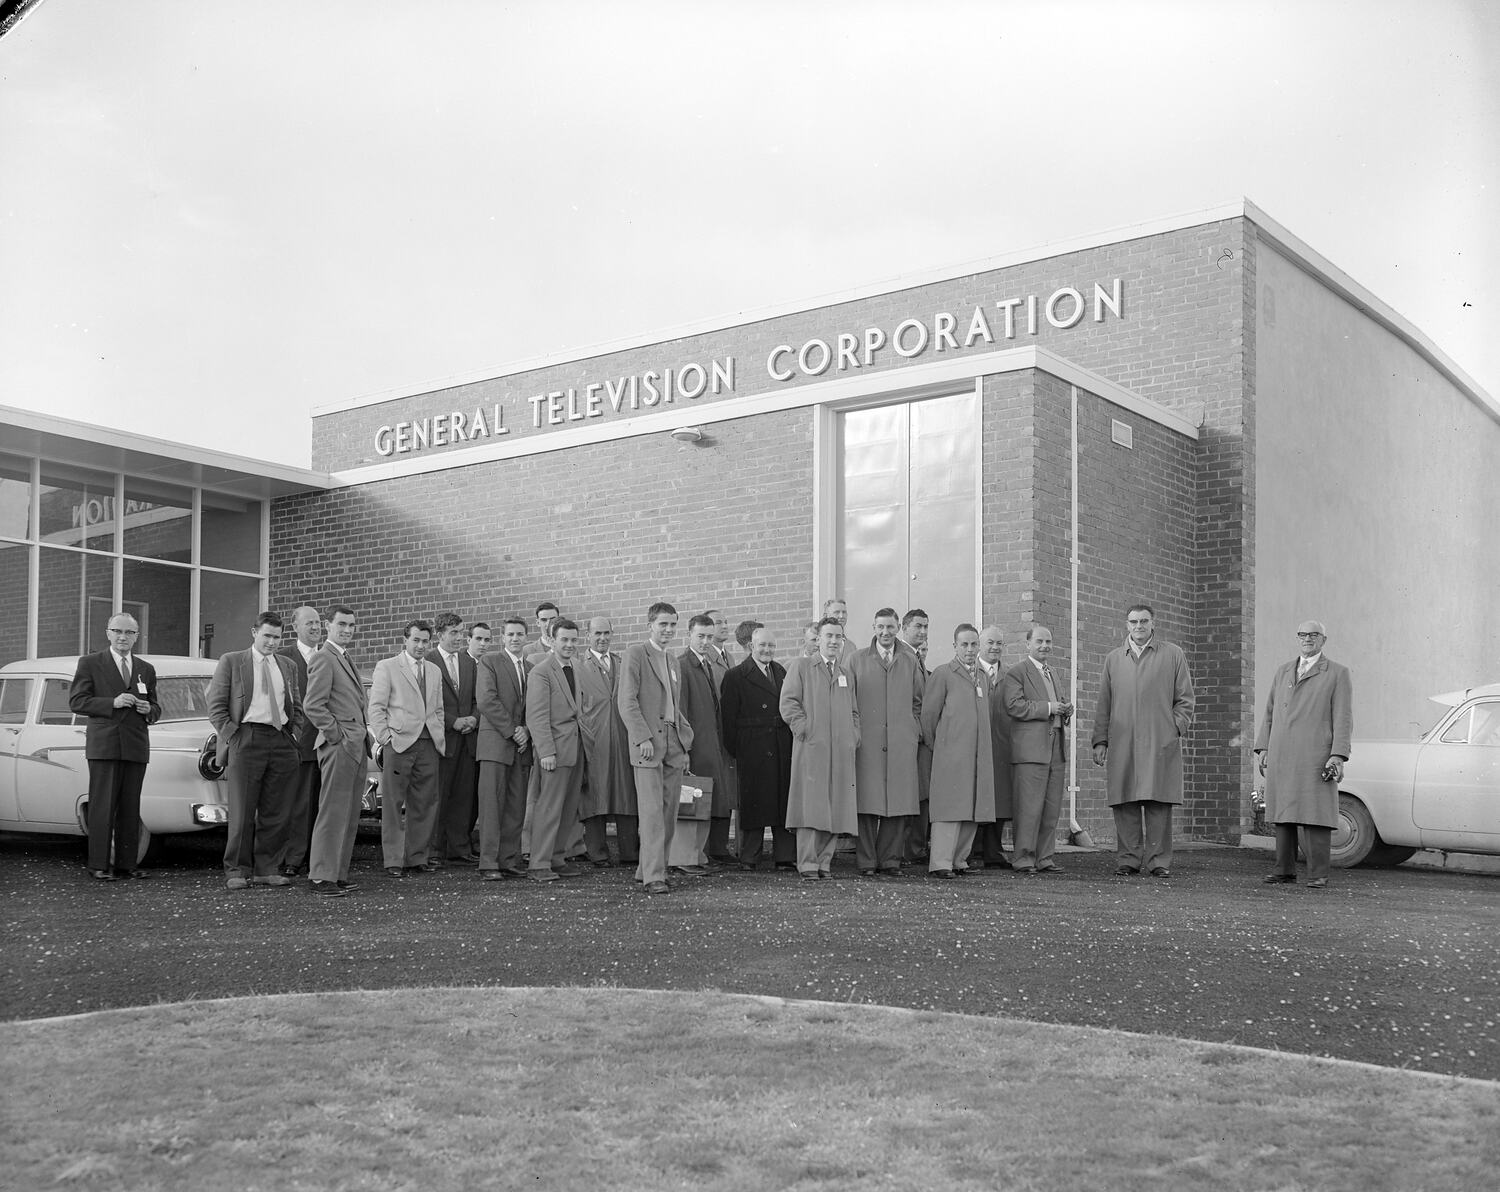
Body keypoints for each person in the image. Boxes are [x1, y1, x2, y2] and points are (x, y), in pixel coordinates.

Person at [1091, 604, 1196, 878]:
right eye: (1133, 622)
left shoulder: (1173, 654)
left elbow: (1185, 698)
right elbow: (1104, 703)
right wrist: (1100, 740)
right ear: (1126, 625)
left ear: (1153, 623)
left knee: (1158, 801)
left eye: (1144, 621)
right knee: (1124, 801)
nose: (1139, 626)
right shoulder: (1114, 659)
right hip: (1123, 741)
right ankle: (1128, 859)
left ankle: (1158, 861)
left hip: (1159, 740)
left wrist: (1174, 729)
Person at [207, 611, 305, 890]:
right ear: (254, 632)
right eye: (267, 636)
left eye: (277, 637)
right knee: (242, 809)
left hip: (281, 739)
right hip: (247, 737)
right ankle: (237, 870)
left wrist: (293, 733)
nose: (272, 642)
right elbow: (216, 706)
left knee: (278, 810)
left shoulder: (287, 665)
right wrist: (233, 736)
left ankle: (267, 868)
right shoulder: (232, 661)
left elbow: (296, 704)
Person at [1254, 620, 1352, 889]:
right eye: (1302, 635)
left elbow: (1343, 717)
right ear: (1297, 639)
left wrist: (1338, 755)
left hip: (1316, 753)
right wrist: (1264, 747)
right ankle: (1284, 870)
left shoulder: (1337, 673)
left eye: (1313, 635)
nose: (1307, 639)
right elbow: (1270, 712)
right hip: (1282, 751)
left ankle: (1318, 873)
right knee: (1283, 812)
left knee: (1316, 812)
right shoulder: (1284, 670)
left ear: (1323, 639)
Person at [68, 612, 160, 880]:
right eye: (118, 631)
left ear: (137, 636)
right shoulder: (90, 663)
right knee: (102, 806)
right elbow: (77, 702)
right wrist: (112, 703)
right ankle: (98, 865)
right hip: (104, 746)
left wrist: (148, 708)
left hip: (135, 745)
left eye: (129, 633)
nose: (123, 637)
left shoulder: (145, 668)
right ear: (108, 633)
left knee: (130, 806)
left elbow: (156, 709)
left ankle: (126, 865)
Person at [618, 602, 694, 895]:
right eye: (663, 624)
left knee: (669, 812)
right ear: (650, 624)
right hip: (648, 744)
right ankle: (654, 876)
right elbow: (627, 701)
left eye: (673, 624)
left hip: (673, 743)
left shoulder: (673, 660)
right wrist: (642, 738)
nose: (668, 630)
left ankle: (649, 867)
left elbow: (675, 706)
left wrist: (685, 742)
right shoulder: (636, 654)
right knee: (650, 813)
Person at [780, 616, 860, 880]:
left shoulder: (845, 673)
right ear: (818, 639)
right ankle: (807, 863)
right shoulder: (802, 666)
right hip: (812, 749)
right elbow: (789, 703)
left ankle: (824, 862)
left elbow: (854, 711)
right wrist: (805, 729)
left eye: (838, 637)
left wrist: (853, 735)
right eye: (829, 636)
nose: (834, 641)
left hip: (841, 751)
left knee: (836, 806)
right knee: (810, 806)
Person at [368, 619, 447, 876]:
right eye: (416, 640)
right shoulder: (388, 667)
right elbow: (376, 707)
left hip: (428, 744)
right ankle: (393, 859)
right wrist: (385, 737)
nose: (421, 645)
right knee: (392, 803)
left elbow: (438, 709)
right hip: (399, 744)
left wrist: (438, 736)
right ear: (405, 639)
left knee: (425, 802)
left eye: (426, 641)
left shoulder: (434, 670)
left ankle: (417, 857)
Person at [850, 607, 923, 877]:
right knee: (867, 804)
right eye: (881, 627)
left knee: (897, 802)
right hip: (868, 741)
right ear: (873, 627)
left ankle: (891, 860)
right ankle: (867, 861)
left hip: (901, 741)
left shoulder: (909, 660)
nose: (885, 633)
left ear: (897, 629)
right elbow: (850, 701)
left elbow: (918, 700)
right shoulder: (856, 659)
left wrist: (912, 729)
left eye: (891, 627)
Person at [921, 623, 996, 878]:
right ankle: (940, 862)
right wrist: (941, 745)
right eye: (964, 644)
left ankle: (959, 859)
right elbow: (929, 717)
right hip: (950, 754)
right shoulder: (943, 674)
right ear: (955, 646)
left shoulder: (983, 677)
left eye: (974, 644)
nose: (970, 649)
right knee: (948, 808)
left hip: (977, 754)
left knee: (972, 806)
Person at [304, 605, 368, 897]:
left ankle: (338, 872)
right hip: (339, 745)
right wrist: (337, 734)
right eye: (341, 624)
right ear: (327, 626)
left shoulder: (344, 657)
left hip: (355, 745)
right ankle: (321, 876)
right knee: (332, 812)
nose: (347, 630)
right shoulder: (323, 657)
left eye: (351, 625)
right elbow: (313, 705)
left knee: (349, 813)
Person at [721, 624, 795, 870]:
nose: (767, 650)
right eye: (762, 645)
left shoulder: (781, 671)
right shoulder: (735, 676)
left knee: (781, 800)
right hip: (752, 748)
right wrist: (739, 750)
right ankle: (750, 856)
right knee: (755, 801)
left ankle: (784, 856)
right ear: (752, 646)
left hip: (779, 745)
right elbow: (728, 721)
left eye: (771, 645)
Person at [1003, 626, 1072, 876]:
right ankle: (1023, 859)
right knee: (1029, 808)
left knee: (1051, 808)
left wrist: (1065, 710)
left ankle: (1045, 858)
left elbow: (1056, 704)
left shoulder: (1053, 672)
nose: (1045, 645)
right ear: (1028, 644)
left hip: (1055, 746)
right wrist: (1050, 708)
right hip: (1030, 751)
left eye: (1048, 641)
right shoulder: (1017, 672)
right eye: (1039, 641)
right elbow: (1014, 706)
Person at [524, 618, 587, 882]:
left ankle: (557, 857)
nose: (570, 644)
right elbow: (536, 716)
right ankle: (539, 863)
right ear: (551, 640)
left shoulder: (577, 667)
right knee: (549, 808)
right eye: (564, 639)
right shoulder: (541, 671)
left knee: (568, 808)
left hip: (576, 748)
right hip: (555, 751)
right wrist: (546, 752)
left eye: (573, 640)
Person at [576, 617, 638, 868]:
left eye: (606, 633)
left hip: (622, 739)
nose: (602, 638)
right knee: (594, 796)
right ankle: (598, 853)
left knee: (625, 794)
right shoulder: (578, 667)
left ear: (612, 634)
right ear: (588, 635)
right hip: (595, 739)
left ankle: (629, 852)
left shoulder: (623, 664)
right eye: (597, 633)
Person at [475, 616, 532, 880]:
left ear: (526, 637)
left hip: (522, 747)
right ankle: (488, 864)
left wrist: (527, 731)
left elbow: (537, 706)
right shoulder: (490, 661)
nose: (515, 638)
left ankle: (509, 859)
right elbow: (487, 700)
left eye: (520, 634)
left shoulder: (531, 668)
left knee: (515, 805)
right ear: (503, 637)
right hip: (495, 744)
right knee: (491, 805)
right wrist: (513, 731)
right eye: (510, 634)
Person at [678, 614, 731, 871]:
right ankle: (687, 858)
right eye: (700, 636)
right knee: (690, 801)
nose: (705, 641)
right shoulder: (682, 665)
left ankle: (699, 855)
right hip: (694, 746)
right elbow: (681, 710)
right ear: (689, 635)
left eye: (709, 637)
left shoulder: (708, 664)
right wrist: (684, 749)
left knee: (704, 800)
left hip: (710, 744)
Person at [430, 612, 480, 864]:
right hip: (442, 740)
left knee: (463, 795)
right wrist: (453, 721)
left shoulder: (469, 663)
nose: (459, 637)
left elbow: (477, 698)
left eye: (461, 632)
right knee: (439, 795)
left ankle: (459, 848)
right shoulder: (428, 661)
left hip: (468, 739)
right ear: (440, 635)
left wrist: (473, 717)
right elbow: (429, 701)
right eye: (454, 633)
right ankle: (435, 850)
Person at [277, 604, 323, 876]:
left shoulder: (330, 656)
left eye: (318, 622)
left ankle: (318, 857)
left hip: (328, 743)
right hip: (299, 743)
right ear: (295, 626)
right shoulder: (284, 657)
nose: (315, 627)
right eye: (309, 623)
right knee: (298, 805)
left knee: (321, 804)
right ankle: (293, 858)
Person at [970, 625, 1015, 869]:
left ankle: (992, 851)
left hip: (1000, 743)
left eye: (999, 643)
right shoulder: (970, 671)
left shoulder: (1010, 675)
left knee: (998, 798)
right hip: (975, 743)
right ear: (980, 644)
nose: (995, 648)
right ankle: (971, 848)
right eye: (990, 643)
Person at [899, 608, 933, 864]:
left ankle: (915, 847)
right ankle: (910, 849)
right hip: (911, 736)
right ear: (904, 627)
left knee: (921, 793)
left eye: (925, 627)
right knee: (913, 794)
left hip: (921, 736)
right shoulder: (903, 656)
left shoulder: (917, 657)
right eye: (917, 626)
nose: (922, 631)